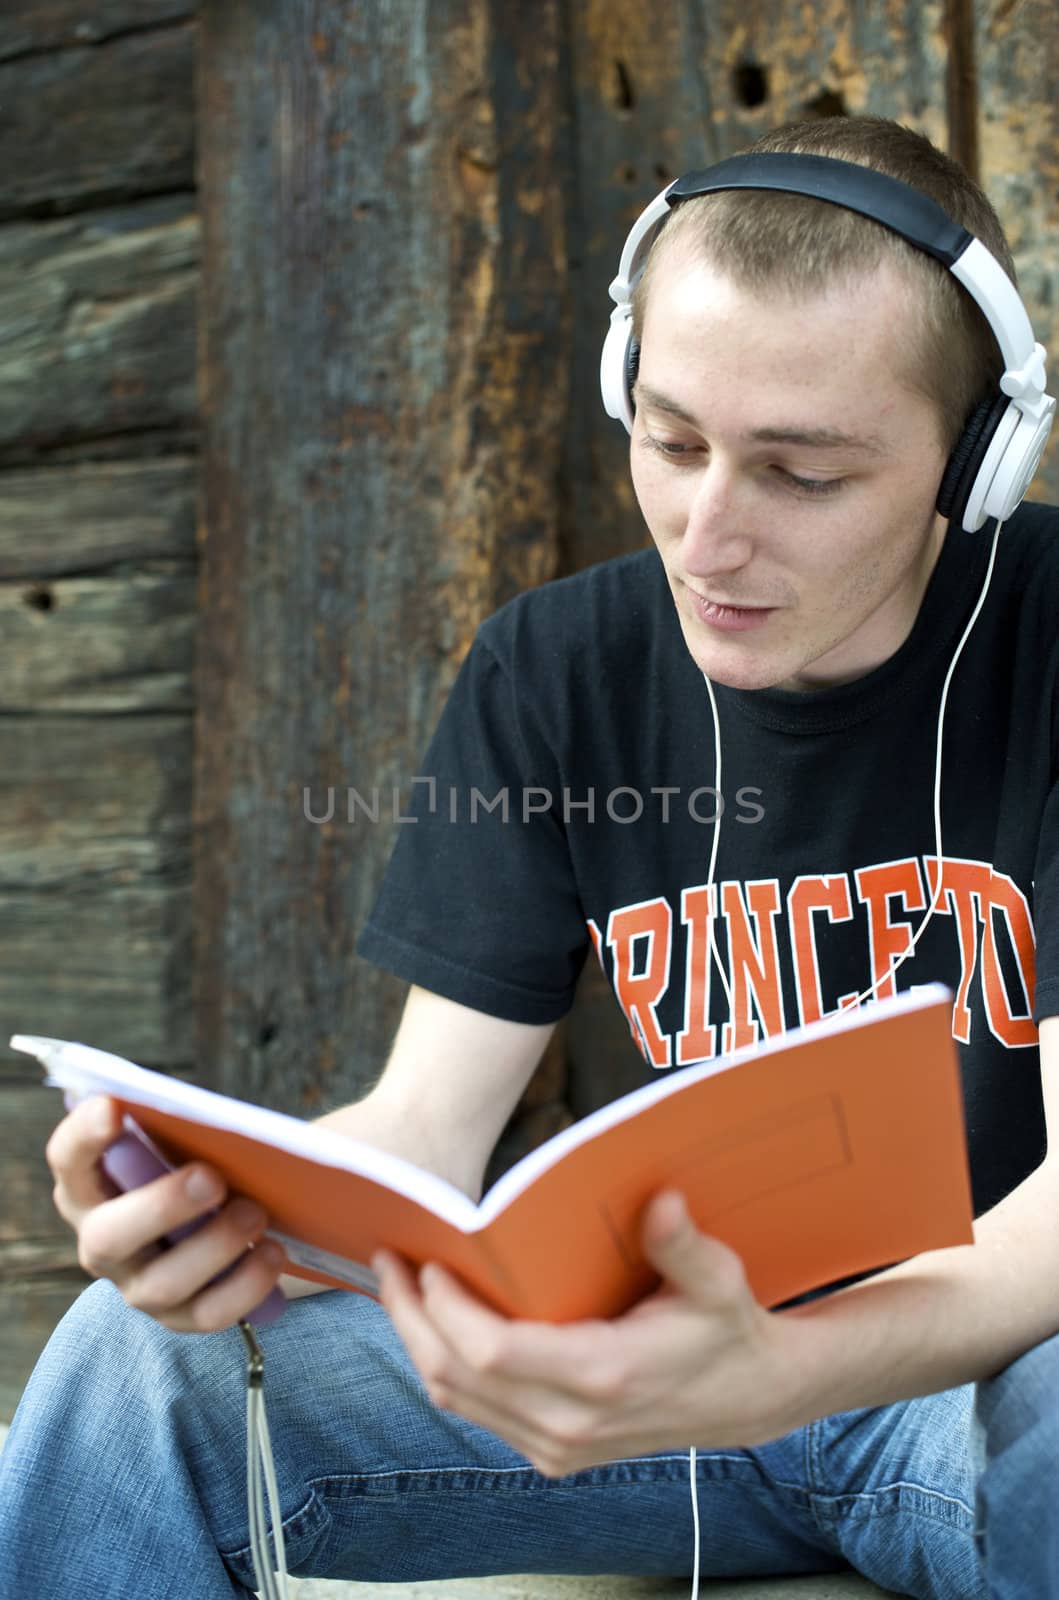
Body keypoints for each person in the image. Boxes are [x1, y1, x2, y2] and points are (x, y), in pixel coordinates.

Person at [2, 112, 1058, 1600]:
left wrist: (783, 1368)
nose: (707, 534)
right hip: (657, 1389)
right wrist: (216, 1213)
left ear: (977, 462)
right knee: (133, 1362)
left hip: (985, 1375)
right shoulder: (551, 667)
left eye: (800, 476)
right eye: (672, 438)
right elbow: (426, 1129)